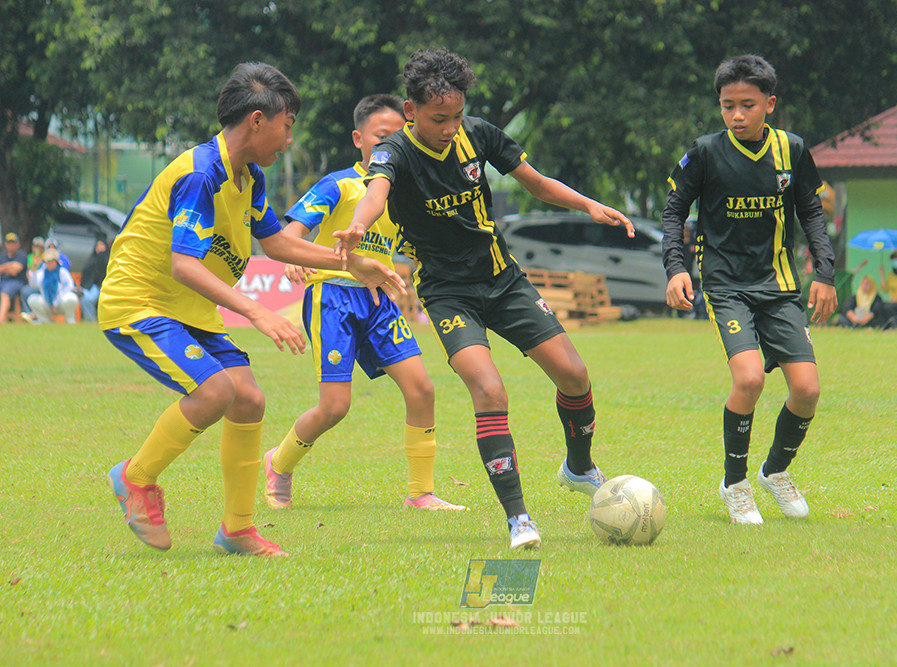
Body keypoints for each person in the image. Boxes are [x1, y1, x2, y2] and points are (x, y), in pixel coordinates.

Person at [99, 62, 406, 557]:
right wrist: (258, 312)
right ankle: (135, 479)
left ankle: (238, 529)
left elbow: (278, 244)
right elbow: (185, 266)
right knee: (217, 390)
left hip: (189, 310)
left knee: (249, 399)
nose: (288, 140)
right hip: (140, 303)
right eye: (287, 127)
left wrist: (352, 265)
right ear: (258, 120)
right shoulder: (203, 174)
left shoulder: (250, 177)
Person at [333, 49, 634, 550]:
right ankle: (519, 519)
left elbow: (535, 183)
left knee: (575, 375)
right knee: (490, 392)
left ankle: (578, 467)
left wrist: (588, 204)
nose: (450, 128)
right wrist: (359, 225)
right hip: (449, 294)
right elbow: (376, 192)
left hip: (503, 280)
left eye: (456, 116)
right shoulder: (394, 152)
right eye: (437, 119)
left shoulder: (480, 134)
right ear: (410, 112)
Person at [264, 94, 465, 512]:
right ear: (359, 139)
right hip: (332, 298)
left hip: (379, 302)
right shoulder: (338, 184)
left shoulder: (403, 194)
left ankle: (420, 493)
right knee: (335, 407)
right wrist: (294, 263)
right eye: (381, 136)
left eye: (399, 137)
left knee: (422, 389)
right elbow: (290, 234)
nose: (391, 145)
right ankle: (278, 464)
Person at [662, 54, 838, 525]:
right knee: (750, 379)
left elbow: (812, 213)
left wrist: (825, 273)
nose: (737, 115)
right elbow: (674, 212)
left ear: (770, 104)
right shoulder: (704, 152)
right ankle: (735, 484)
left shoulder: (792, 151)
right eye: (727, 106)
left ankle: (774, 473)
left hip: (779, 286)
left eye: (747, 105)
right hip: (725, 283)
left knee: (807, 390)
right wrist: (675, 268)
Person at [26, 248, 79, 323]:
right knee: (32, 299)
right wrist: (34, 270)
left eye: (51, 261)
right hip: (47, 302)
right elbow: (33, 284)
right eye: (47, 261)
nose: (49, 263)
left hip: (61, 302)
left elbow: (68, 288)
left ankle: (70, 320)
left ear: (56, 261)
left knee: (72, 298)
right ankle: (45, 321)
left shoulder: (62, 272)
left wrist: (55, 302)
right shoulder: (42, 272)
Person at [79, 237, 110, 321]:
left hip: (108, 287)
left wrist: (102, 256)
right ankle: (90, 320)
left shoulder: (110, 260)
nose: (99, 247)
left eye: (102, 245)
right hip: (94, 287)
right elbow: (86, 275)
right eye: (98, 245)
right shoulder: (91, 260)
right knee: (86, 299)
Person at [0, 231, 28, 323]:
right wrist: (10, 266)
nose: (11, 245)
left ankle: (1, 320)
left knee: (5, 293)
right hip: (3, 281)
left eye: (13, 243)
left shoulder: (22, 255)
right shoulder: (2, 257)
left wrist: (4, 268)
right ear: (5, 244)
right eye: (9, 243)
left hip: (17, 282)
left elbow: (16, 270)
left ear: (18, 244)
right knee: (4, 288)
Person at [18, 236, 46, 321]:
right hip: (33, 283)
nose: (37, 249)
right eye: (35, 246)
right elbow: (30, 272)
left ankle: (35, 314)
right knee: (24, 290)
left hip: (43, 285)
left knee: (27, 291)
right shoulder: (30, 257)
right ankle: (28, 313)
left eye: (39, 247)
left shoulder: (46, 257)